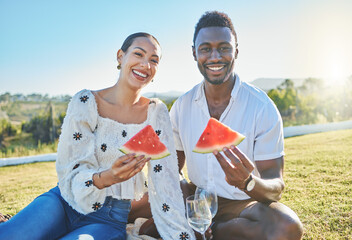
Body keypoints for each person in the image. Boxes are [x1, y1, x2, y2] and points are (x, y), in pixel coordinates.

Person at [0, 32, 195, 240]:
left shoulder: (156, 112)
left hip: (109, 218)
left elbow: (165, 181)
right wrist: (108, 177)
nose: (146, 65)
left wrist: (184, 233)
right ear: (120, 56)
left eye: (154, 60)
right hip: (63, 202)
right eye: (138, 54)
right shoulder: (85, 102)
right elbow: (71, 168)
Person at [169, 11, 304, 240]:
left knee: (288, 227)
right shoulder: (181, 107)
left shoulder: (262, 107)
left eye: (224, 47)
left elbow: (276, 186)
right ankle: (186, 226)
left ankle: (213, 232)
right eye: (205, 49)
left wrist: (247, 182)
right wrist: (186, 201)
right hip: (196, 198)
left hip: (243, 204)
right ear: (194, 53)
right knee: (132, 204)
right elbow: (173, 169)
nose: (215, 57)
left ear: (236, 51)